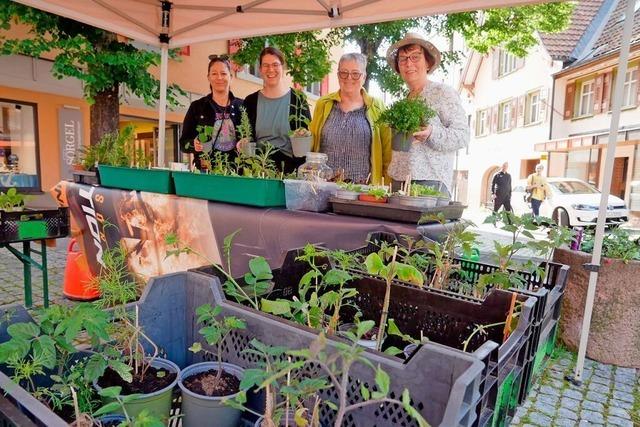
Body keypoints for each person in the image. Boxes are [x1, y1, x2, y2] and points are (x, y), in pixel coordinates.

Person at [385, 32, 469, 196]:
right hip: (399, 182)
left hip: (431, 183)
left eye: (415, 57)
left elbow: (463, 136)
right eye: (403, 59)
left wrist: (432, 133)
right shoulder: (405, 101)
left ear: (428, 63)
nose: (408, 63)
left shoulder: (443, 92)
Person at [309, 53, 391, 184]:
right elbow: (311, 143)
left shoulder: (377, 106)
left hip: (362, 190)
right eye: (344, 73)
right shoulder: (323, 103)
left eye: (355, 74)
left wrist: (384, 188)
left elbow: (387, 154)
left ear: (364, 77)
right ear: (338, 75)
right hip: (324, 187)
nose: (349, 78)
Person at [242, 47, 311, 174]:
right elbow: (244, 137)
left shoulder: (298, 100)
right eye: (266, 65)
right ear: (260, 69)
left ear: (283, 67)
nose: (271, 69)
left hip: (289, 172)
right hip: (258, 170)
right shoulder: (250, 101)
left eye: (275, 64)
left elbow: (305, 139)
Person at [179, 55, 244, 170]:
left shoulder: (242, 106)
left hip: (237, 173)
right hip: (206, 172)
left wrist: (246, 142)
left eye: (223, 73)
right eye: (214, 73)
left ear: (231, 77)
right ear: (208, 77)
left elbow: (254, 137)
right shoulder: (197, 107)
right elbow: (183, 144)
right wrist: (193, 144)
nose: (219, 77)